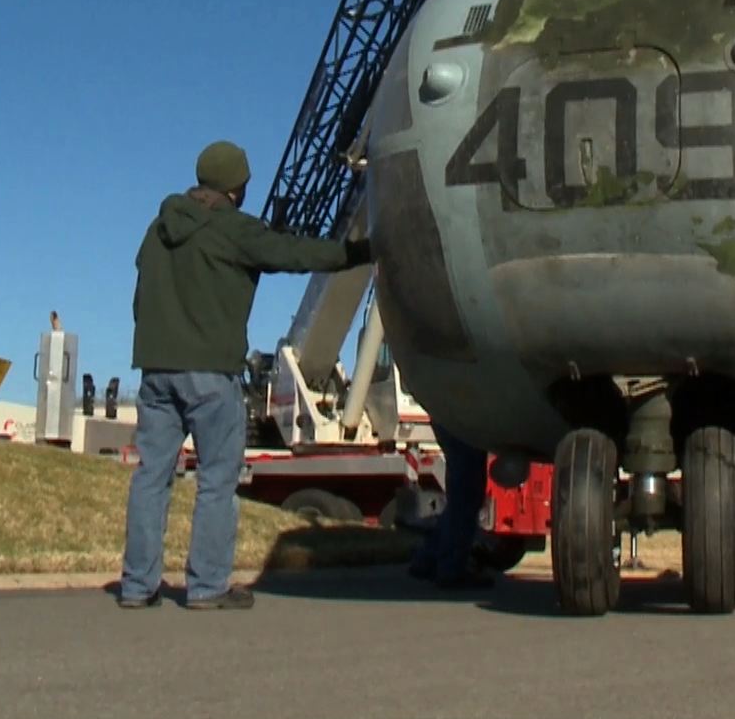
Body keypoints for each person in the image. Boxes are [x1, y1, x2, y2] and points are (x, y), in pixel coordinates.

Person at [119, 140, 373, 610]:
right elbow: (294, 253)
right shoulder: (234, 229)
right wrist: (359, 252)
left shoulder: (158, 229)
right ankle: (207, 587)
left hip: (155, 373)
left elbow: (140, 299)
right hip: (211, 375)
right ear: (236, 187)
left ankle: (137, 587)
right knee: (217, 481)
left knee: (151, 478)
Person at [408, 423, 494, 589]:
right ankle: (450, 567)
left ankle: (428, 558)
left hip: (448, 422)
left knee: (460, 497)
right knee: (467, 496)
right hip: (466, 426)